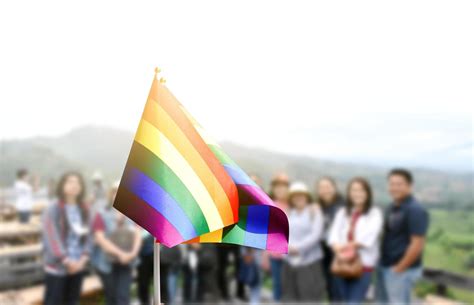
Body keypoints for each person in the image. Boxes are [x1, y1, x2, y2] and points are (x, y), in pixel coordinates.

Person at [376, 168, 430, 304]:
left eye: (399, 184)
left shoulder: (415, 210)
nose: (394, 188)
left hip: (401, 271)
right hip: (385, 266)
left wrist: (399, 269)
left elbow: (417, 244)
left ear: (409, 186)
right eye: (391, 184)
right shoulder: (392, 207)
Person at [328, 177, 383, 304]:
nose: (357, 193)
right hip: (341, 264)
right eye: (354, 190)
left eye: (361, 190)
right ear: (349, 193)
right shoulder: (343, 212)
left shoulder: (375, 213)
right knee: (342, 300)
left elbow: (368, 236)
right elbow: (334, 234)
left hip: (363, 266)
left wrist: (345, 246)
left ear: (367, 193)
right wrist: (337, 247)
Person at [42, 172, 91, 305]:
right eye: (70, 181)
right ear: (62, 185)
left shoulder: (85, 208)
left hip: (78, 265)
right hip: (58, 268)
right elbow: (52, 237)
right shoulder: (53, 208)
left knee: (73, 301)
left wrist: (83, 259)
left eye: (77, 182)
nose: (74, 185)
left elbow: (89, 236)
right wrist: (66, 260)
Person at [90, 181, 142, 305]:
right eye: (116, 192)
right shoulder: (102, 214)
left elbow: (137, 234)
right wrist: (120, 254)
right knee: (111, 297)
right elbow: (99, 238)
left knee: (123, 297)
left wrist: (133, 254)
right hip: (106, 262)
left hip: (127, 262)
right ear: (111, 194)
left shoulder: (133, 214)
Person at [282, 181, 326, 302]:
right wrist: (288, 247)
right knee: (289, 296)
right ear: (291, 198)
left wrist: (298, 248)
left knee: (309, 297)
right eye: (295, 195)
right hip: (289, 262)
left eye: (301, 194)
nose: (298, 198)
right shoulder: (289, 213)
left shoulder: (314, 212)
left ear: (307, 196)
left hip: (309, 263)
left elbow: (316, 235)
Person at [316, 176, 345, 302]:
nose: (325, 190)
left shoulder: (343, 206)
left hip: (339, 254)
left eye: (327, 187)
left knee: (338, 290)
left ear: (334, 188)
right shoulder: (318, 206)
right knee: (330, 290)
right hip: (324, 254)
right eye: (321, 188)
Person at [264, 173, 290, 302]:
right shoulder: (270, 205)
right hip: (274, 254)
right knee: (277, 285)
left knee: (289, 287)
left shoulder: (293, 205)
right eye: (277, 187)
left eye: (283, 186)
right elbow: (266, 232)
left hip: (292, 255)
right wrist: (265, 256)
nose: (280, 190)